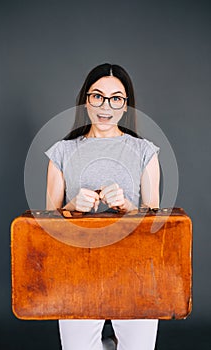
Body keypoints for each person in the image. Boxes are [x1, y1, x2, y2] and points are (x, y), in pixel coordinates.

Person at [45, 63, 160, 350]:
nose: (105, 106)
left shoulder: (145, 151)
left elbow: (155, 223)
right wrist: (72, 206)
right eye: (97, 96)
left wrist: (127, 206)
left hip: (135, 270)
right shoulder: (62, 152)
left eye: (116, 98)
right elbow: (46, 224)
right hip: (77, 272)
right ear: (86, 101)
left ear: (125, 106)